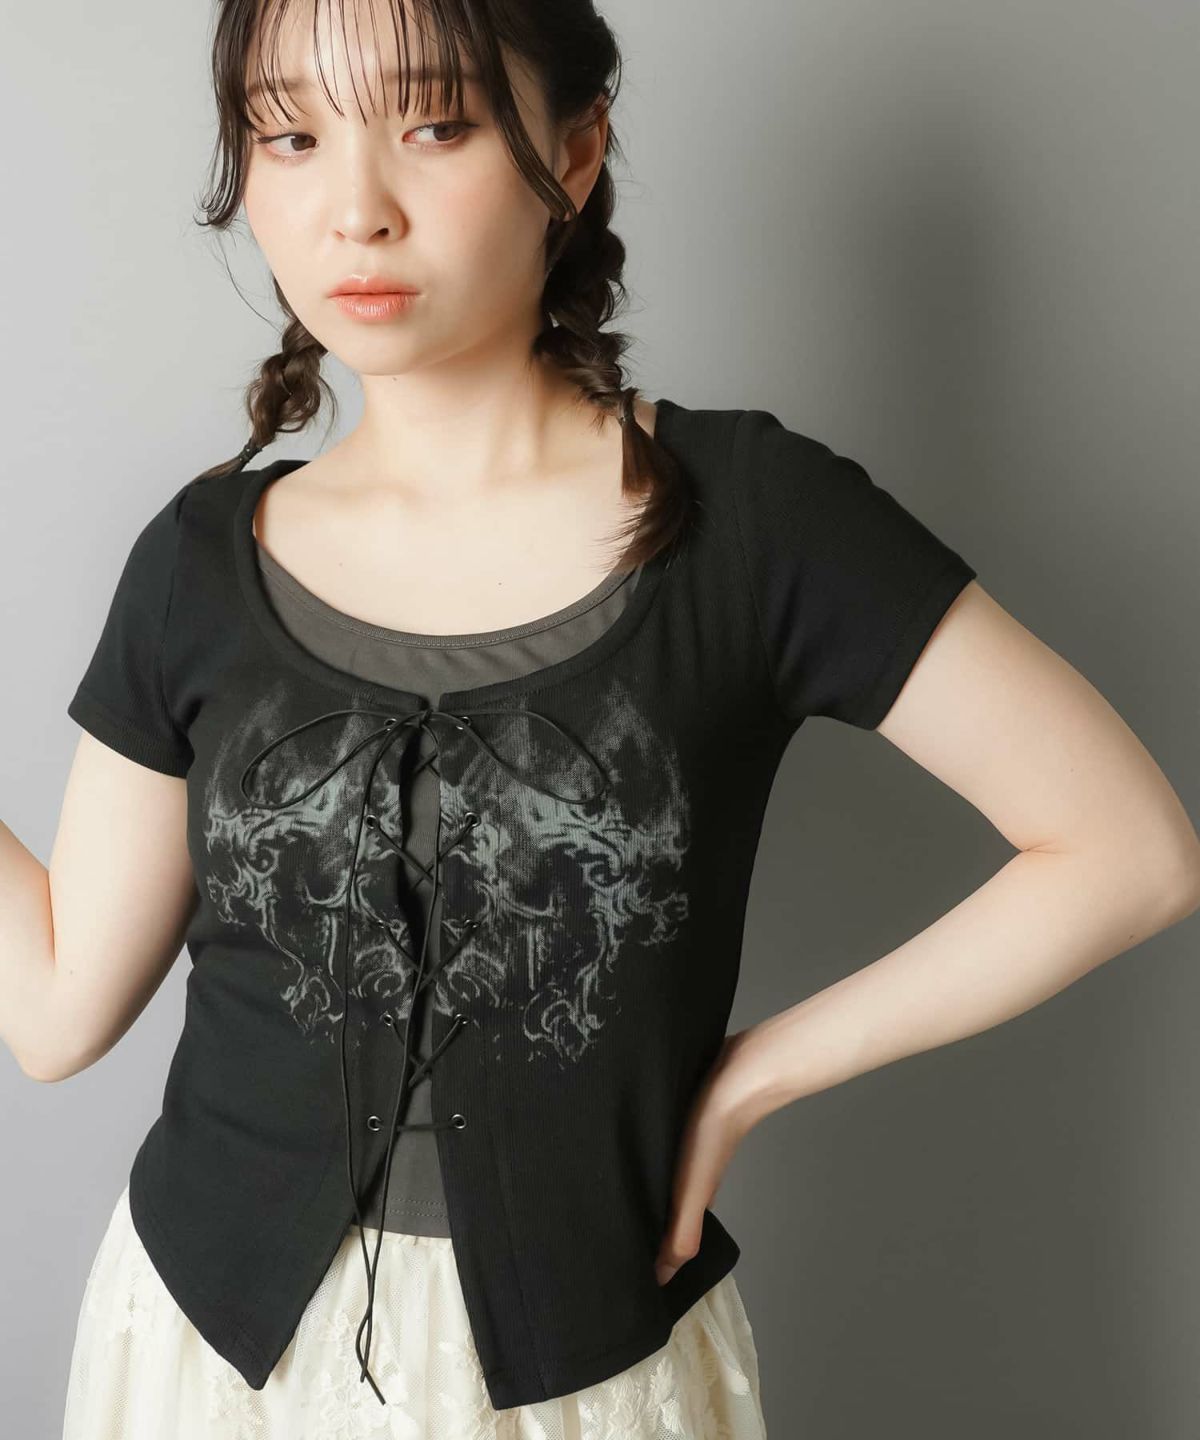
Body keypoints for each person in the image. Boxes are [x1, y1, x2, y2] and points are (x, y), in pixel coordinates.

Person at [4, 1, 1198, 1437]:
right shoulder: (199, 562)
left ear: (574, 154)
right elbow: (57, 1014)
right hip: (205, 1361)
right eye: (290, 136)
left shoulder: (753, 519)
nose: (355, 210)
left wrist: (756, 1074)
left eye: (435, 124)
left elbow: (1129, 851)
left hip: (584, 1380)